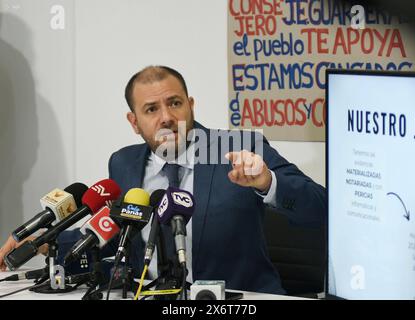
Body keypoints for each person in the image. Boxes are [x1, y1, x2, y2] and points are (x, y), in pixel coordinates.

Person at [0, 65, 326, 295]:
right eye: (151, 109)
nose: (166, 117)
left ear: (191, 105)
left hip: (236, 300)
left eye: (174, 103)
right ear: (134, 121)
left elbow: (321, 208)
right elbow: (113, 233)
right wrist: (43, 240)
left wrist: (267, 182)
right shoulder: (125, 162)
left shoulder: (236, 148)